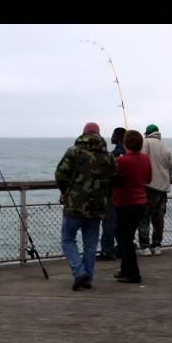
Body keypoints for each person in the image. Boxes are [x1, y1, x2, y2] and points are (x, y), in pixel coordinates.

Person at [55, 123, 116, 290]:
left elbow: (60, 173)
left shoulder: (73, 152)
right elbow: (114, 178)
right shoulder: (108, 156)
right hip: (97, 207)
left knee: (68, 239)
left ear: (84, 133)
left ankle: (79, 272)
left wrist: (65, 191)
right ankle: (88, 278)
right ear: (98, 134)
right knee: (90, 244)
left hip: (74, 205)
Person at [113, 130, 152, 284]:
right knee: (126, 236)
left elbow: (113, 180)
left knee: (124, 239)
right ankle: (125, 270)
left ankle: (133, 274)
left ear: (125, 143)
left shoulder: (120, 161)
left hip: (125, 204)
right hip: (141, 203)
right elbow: (148, 179)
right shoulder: (145, 159)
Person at [137, 124, 172, 256]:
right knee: (159, 219)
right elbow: (171, 168)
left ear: (147, 133)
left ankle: (145, 247)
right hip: (163, 188)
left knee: (144, 217)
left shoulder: (145, 143)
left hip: (148, 187)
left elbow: (142, 161)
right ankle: (157, 245)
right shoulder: (165, 146)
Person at [98, 127, 126, 261]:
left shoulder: (115, 154)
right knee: (121, 223)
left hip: (112, 193)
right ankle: (122, 248)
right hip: (125, 194)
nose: (111, 137)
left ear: (119, 137)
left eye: (114, 134)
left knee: (109, 222)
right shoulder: (128, 153)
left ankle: (107, 251)